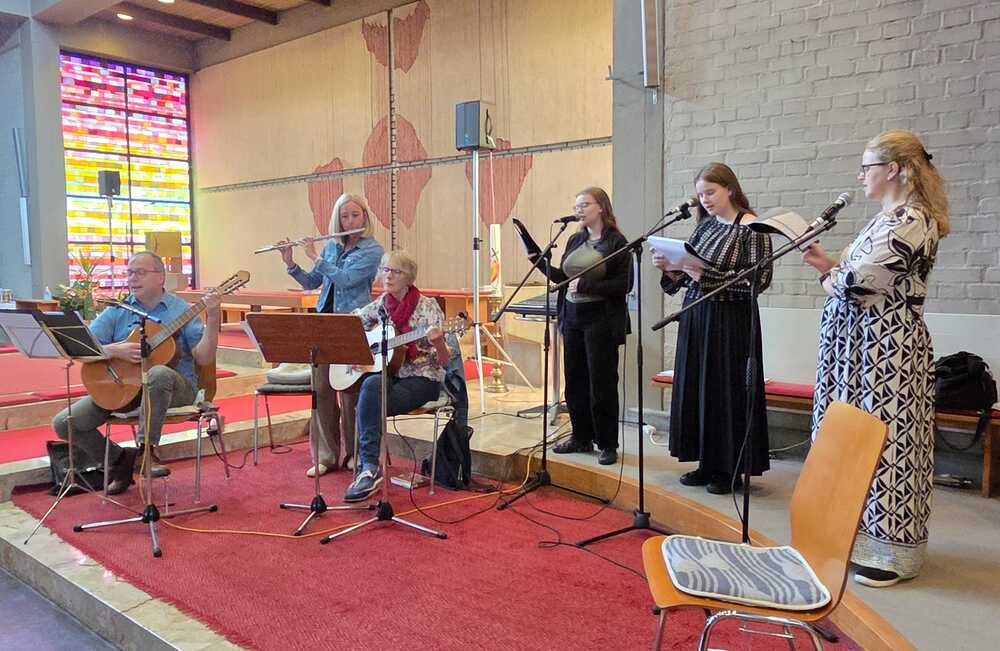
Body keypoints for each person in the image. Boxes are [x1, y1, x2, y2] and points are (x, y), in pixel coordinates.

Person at [803, 130, 948, 588]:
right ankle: (854, 538)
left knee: (886, 444)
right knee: (851, 442)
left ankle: (890, 553)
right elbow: (853, 274)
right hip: (858, 350)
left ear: (894, 169)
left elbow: (857, 283)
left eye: (866, 167)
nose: (860, 176)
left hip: (886, 353)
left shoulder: (911, 220)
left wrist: (830, 276)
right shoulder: (885, 218)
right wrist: (828, 264)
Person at [52, 251, 221, 494]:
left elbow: (204, 358)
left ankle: (147, 451)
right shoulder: (118, 310)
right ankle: (120, 460)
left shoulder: (181, 310)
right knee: (65, 423)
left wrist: (213, 317)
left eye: (140, 272)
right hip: (127, 388)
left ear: (160, 277)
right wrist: (115, 350)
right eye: (130, 272)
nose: (132, 278)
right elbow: (81, 348)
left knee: (158, 373)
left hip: (176, 389)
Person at [652, 162, 772, 495]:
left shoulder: (753, 227)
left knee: (725, 390)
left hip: (731, 320)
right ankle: (706, 462)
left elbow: (758, 280)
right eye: (701, 194)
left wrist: (703, 274)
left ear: (729, 189)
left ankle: (729, 468)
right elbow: (686, 276)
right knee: (699, 388)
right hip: (697, 315)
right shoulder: (705, 228)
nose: (704, 199)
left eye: (710, 192)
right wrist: (671, 268)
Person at [281, 193, 384, 476]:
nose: (349, 221)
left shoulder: (372, 250)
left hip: (353, 323)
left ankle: (354, 453)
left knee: (350, 390)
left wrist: (315, 256)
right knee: (322, 390)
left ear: (365, 217)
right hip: (323, 322)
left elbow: (347, 280)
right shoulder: (331, 247)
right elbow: (312, 282)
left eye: (355, 215)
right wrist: (291, 263)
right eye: (344, 216)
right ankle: (325, 456)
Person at [533, 187, 630, 466]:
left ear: (601, 207)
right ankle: (581, 436)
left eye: (584, 204)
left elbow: (624, 284)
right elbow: (564, 279)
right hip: (572, 317)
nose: (579, 210)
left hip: (601, 320)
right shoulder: (575, 239)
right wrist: (538, 261)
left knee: (601, 383)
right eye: (576, 206)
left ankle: (607, 443)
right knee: (575, 381)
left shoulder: (616, 242)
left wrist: (588, 285)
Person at [343, 250, 450, 502]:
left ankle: (367, 468)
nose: (388, 276)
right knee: (371, 385)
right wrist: (358, 353)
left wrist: (439, 342)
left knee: (368, 401)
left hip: (423, 380)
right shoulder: (382, 304)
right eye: (385, 270)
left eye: (395, 271)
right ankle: (370, 468)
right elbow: (351, 325)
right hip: (390, 376)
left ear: (409, 277)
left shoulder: (428, 307)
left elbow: (445, 361)